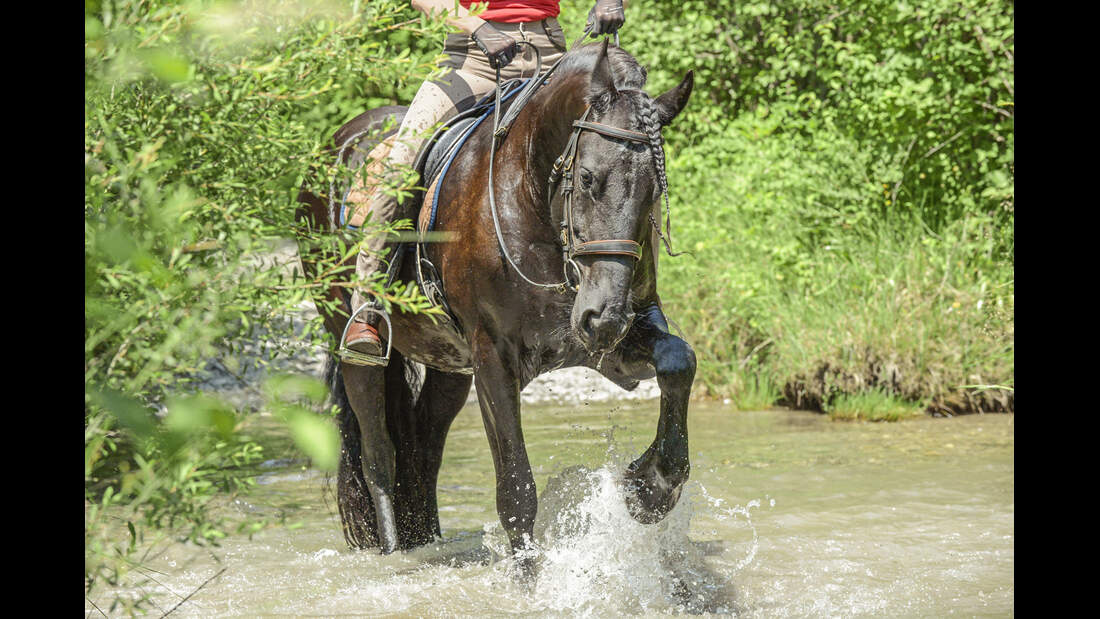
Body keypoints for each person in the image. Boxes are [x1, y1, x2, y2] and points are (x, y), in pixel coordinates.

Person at [343, 0, 626, 360]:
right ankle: (366, 306)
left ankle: (631, 299)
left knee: (620, 151)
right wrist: (476, 27)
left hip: (551, 53)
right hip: (471, 57)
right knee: (400, 163)